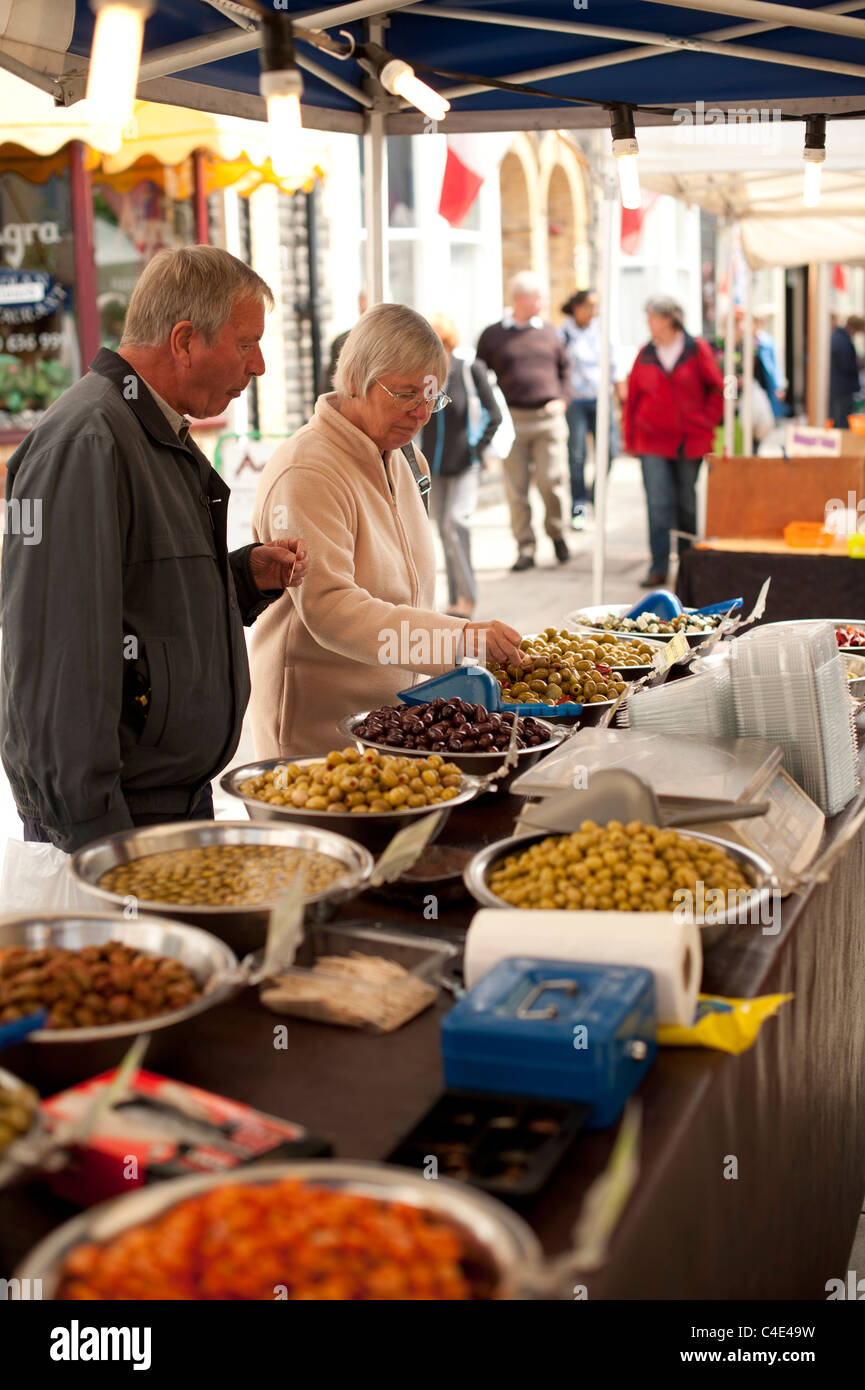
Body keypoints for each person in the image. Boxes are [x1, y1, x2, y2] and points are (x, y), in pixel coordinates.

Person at [0, 246, 309, 851]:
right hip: (116, 819)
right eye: (247, 343)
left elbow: (139, 592)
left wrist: (241, 578)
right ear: (186, 340)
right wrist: (100, 839)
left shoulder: (148, 426)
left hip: (169, 798)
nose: (261, 365)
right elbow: (57, 658)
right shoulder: (85, 441)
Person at [249, 303, 523, 757]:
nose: (422, 413)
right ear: (354, 380)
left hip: (390, 721)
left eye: (434, 396)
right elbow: (331, 609)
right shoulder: (308, 470)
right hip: (317, 730)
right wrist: (457, 639)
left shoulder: (403, 457)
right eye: (406, 394)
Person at [624, 295, 723, 588]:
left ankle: (689, 566)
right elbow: (632, 400)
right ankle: (658, 567)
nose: (648, 323)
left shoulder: (696, 349)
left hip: (689, 441)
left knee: (686, 504)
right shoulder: (645, 353)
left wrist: (706, 421)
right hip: (651, 442)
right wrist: (629, 439)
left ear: (668, 319)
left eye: (652, 317)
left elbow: (718, 389)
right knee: (658, 504)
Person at [475, 271, 571, 571]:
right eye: (538, 297)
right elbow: (479, 374)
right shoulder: (493, 335)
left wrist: (563, 400)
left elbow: (566, 371)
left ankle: (557, 533)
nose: (543, 303)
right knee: (516, 488)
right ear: (520, 299)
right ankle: (525, 547)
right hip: (512, 420)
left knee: (550, 481)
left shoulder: (550, 332)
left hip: (548, 418)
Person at [420, 314, 502, 620]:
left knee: (457, 523)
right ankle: (455, 599)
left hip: (465, 463)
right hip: (433, 465)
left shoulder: (470, 369)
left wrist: (476, 450)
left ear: (449, 342)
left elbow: (495, 414)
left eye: (439, 342)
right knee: (442, 528)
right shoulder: (424, 375)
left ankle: (468, 597)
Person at [559, 289, 625, 530]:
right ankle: (578, 505)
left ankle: (593, 496)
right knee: (577, 456)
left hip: (601, 399)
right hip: (575, 401)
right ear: (576, 307)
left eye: (597, 306)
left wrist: (623, 398)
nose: (593, 311)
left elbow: (616, 365)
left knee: (609, 451)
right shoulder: (563, 332)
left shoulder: (603, 330)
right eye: (589, 306)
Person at [318, 289, 368, 396]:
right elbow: (328, 387)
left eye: (369, 312)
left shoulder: (393, 343)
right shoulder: (341, 342)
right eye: (363, 311)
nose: (366, 317)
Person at [829, 314, 864, 429]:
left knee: (840, 418)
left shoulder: (840, 337)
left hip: (840, 386)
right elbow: (847, 364)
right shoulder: (841, 340)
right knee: (841, 420)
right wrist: (858, 364)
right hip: (842, 387)